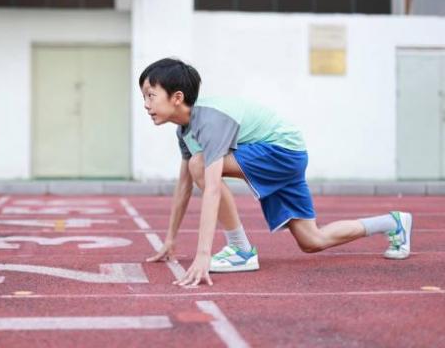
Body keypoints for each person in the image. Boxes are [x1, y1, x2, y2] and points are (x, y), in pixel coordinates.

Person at [139, 58, 413, 287]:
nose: (146, 105)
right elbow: (184, 186)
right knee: (312, 240)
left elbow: (210, 188)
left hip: (280, 151)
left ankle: (241, 250)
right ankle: (393, 223)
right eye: (144, 97)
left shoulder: (209, 121)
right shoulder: (184, 131)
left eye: (151, 95)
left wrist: (203, 255)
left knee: (200, 165)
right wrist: (171, 239)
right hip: (286, 156)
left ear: (177, 98)